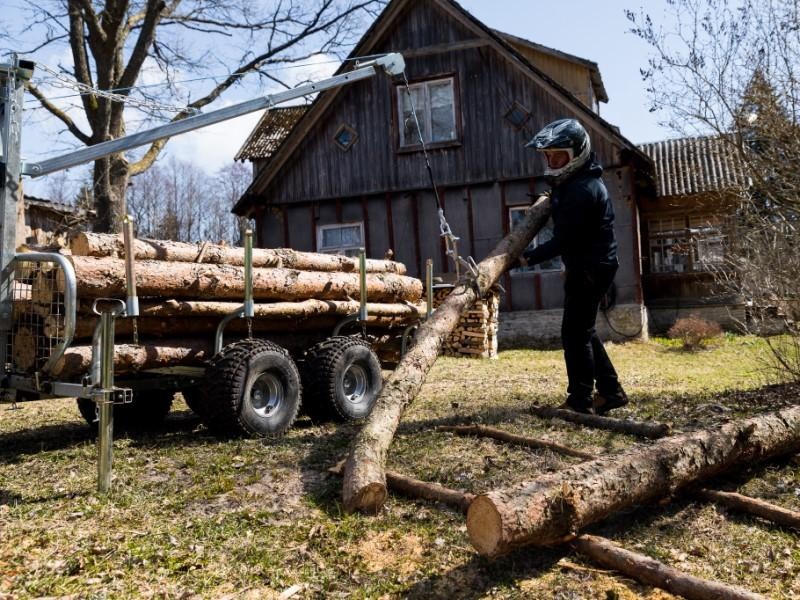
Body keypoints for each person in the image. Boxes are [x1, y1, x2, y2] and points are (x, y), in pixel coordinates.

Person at [519, 118, 628, 415]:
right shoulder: (576, 182)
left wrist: (528, 257)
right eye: (549, 156)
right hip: (592, 265)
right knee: (585, 331)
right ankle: (611, 391)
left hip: (590, 269)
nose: (552, 161)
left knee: (574, 334)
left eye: (558, 156)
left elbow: (564, 241)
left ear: (576, 153)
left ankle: (580, 401)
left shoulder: (582, 190)